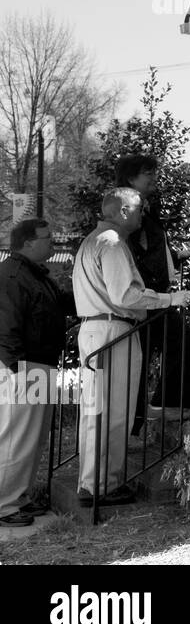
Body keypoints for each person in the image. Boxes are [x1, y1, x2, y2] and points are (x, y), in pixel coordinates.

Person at [72, 188, 190, 506]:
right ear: (123, 211)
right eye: (140, 209)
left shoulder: (94, 240)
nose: (143, 214)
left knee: (96, 411)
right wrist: (170, 298)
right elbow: (125, 295)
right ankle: (103, 486)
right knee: (113, 412)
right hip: (113, 329)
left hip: (97, 328)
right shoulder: (112, 243)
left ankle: (93, 483)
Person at [115, 154, 190, 434]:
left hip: (156, 296)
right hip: (142, 299)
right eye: (146, 173)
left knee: (186, 344)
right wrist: (146, 287)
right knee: (137, 367)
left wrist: (180, 256)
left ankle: (167, 408)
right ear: (130, 179)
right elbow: (129, 251)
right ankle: (132, 430)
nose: (153, 177)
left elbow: (152, 250)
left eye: (154, 171)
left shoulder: (148, 209)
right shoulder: (124, 208)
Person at [0, 219, 75, 527]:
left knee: (33, 439)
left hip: (38, 364)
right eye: (47, 239)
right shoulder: (12, 275)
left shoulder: (34, 274)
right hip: (24, 367)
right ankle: (4, 505)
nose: (52, 244)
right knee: (17, 438)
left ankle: (19, 498)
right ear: (28, 243)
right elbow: (5, 325)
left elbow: (58, 305)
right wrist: (15, 369)